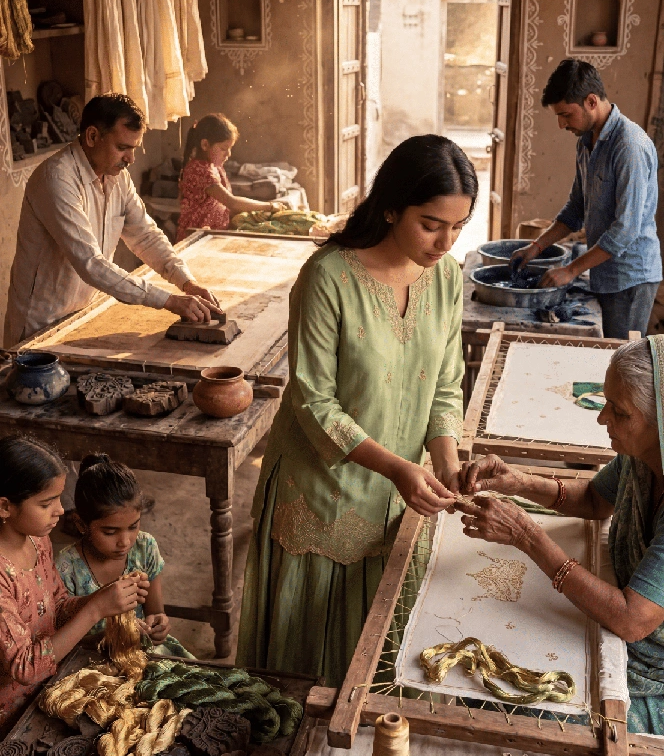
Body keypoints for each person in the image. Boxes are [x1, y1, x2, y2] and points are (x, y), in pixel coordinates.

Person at [237, 134, 477, 686]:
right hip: (325, 489)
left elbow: (445, 383)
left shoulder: (445, 276)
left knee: (381, 660)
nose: (445, 241)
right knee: (309, 670)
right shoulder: (328, 278)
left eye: (458, 226)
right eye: (431, 223)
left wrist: (446, 462)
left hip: (402, 490)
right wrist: (397, 467)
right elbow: (312, 402)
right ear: (391, 207)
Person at [455, 335, 664, 735]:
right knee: (487, 674)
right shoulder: (643, 458)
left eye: (619, 412)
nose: (602, 419)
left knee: (515, 708)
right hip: (624, 617)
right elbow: (594, 501)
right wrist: (518, 482)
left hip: (653, 671)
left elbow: (632, 621)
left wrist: (527, 535)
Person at [4, 93, 220, 348]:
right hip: (38, 326)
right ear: (93, 136)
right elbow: (91, 263)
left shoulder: (118, 177)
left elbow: (146, 236)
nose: (131, 158)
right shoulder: (56, 178)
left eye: (133, 148)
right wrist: (169, 301)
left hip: (82, 315)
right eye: (122, 147)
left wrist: (187, 282)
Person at [0, 436, 146, 734]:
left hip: (53, 685)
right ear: (5, 507)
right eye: (46, 503)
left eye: (58, 498)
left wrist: (102, 599)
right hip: (11, 712)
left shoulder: (37, 540)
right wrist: (94, 611)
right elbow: (24, 667)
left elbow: (58, 606)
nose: (60, 510)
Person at [511, 59, 661, 339]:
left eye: (566, 115)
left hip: (630, 277)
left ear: (591, 101)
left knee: (620, 362)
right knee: (601, 360)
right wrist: (536, 247)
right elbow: (575, 210)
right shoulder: (586, 142)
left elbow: (625, 230)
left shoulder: (629, 146)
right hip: (602, 271)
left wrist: (570, 271)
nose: (561, 124)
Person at [56, 453, 190, 658]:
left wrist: (158, 624)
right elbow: (66, 644)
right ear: (81, 524)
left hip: (140, 650)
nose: (125, 541)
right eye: (110, 532)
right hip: (91, 660)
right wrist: (113, 634)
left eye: (133, 526)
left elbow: (155, 611)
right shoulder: (67, 568)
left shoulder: (145, 547)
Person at [176, 113, 282, 241]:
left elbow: (222, 206)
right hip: (195, 238)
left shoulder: (215, 167)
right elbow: (232, 202)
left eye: (230, 148)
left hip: (211, 235)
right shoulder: (199, 170)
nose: (228, 154)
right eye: (223, 148)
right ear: (205, 145)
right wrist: (269, 206)